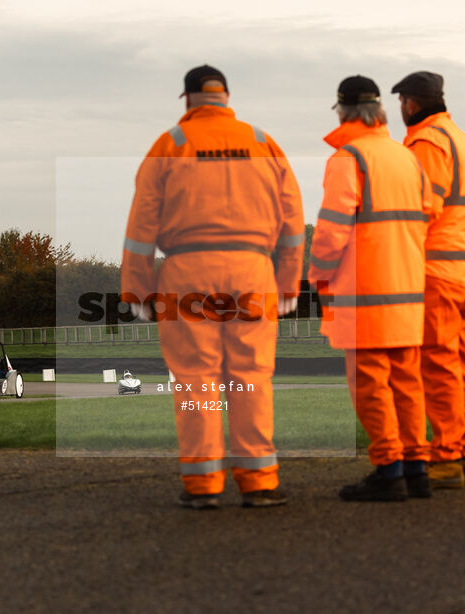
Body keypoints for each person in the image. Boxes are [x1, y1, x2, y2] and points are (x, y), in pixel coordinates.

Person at [121, 65, 304, 509]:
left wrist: (138, 292)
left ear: (187, 100)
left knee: (195, 379)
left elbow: (141, 229)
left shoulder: (170, 145)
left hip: (187, 272)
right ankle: (259, 481)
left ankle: (203, 487)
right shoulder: (264, 144)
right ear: (226, 97)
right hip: (253, 272)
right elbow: (292, 225)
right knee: (252, 376)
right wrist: (287, 283)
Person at [308, 75, 438, 501]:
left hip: (365, 293)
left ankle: (388, 470)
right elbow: (428, 215)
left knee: (370, 385)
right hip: (407, 291)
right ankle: (417, 468)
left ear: (343, 112)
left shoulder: (349, 159)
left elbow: (331, 230)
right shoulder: (406, 158)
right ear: (379, 111)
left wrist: (318, 274)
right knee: (407, 383)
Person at [391, 71, 465, 488]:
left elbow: (420, 209)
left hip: (434, 271)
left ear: (410, 103)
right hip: (463, 270)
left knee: (438, 364)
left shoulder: (427, 143)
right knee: (461, 363)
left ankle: (447, 457)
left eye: (402, 103)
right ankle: (464, 452)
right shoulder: (461, 140)